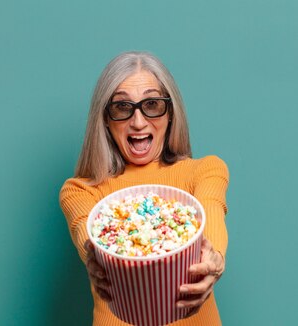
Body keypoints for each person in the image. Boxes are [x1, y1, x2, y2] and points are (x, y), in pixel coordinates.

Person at [59, 51, 229, 325]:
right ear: (105, 119)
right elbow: (86, 232)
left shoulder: (205, 170)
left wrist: (213, 257)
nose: (138, 122)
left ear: (170, 113)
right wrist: (93, 253)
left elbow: (210, 206)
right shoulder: (82, 191)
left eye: (152, 104)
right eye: (122, 107)